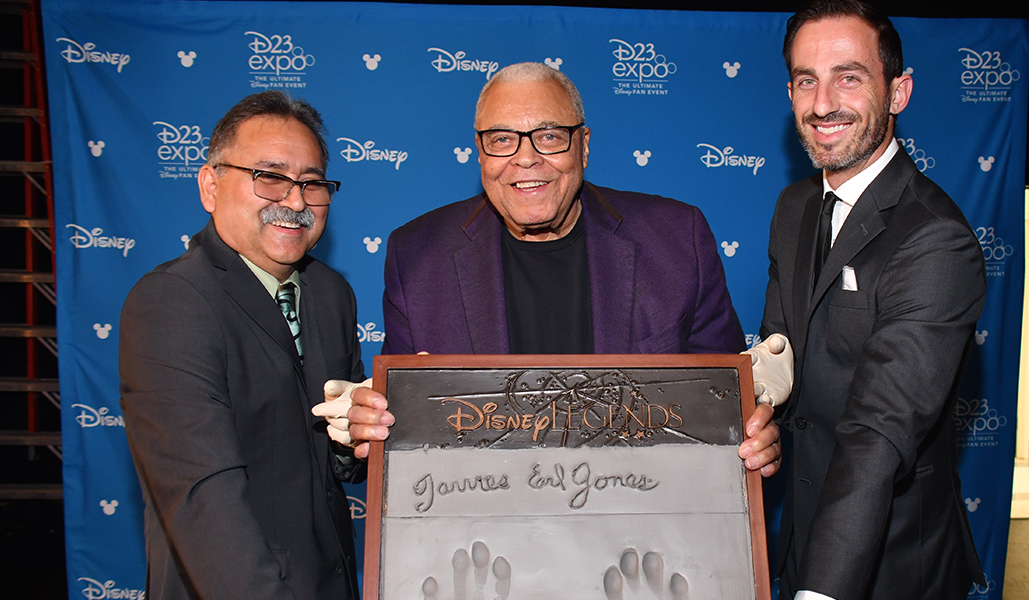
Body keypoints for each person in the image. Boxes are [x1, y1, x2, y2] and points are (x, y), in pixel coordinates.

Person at [327, 62, 779, 476]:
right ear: (479, 153)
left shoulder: (678, 239)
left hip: (641, 522)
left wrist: (752, 439)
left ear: (582, 146)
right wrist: (374, 426)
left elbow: (725, 404)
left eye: (548, 136)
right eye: (502, 139)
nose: (525, 158)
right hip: (480, 527)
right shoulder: (418, 255)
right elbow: (408, 425)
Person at [752, 1, 988, 598]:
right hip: (801, 536)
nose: (823, 102)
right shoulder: (795, 208)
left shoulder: (935, 238)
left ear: (899, 92)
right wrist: (761, 416)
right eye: (807, 80)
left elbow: (878, 434)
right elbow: (779, 352)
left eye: (848, 77)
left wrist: (819, 591)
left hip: (893, 561)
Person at [120, 90, 383, 599]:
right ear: (210, 186)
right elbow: (201, 500)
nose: (295, 200)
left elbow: (337, 464)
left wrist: (356, 437)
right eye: (270, 177)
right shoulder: (172, 300)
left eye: (312, 182)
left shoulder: (331, 293)